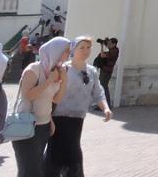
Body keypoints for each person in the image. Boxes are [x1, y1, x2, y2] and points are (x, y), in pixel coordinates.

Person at [45, 36, 111, 177]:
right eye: (82, 47)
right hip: (58, 118)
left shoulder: (91, 71)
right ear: (73, 49)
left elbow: (98, 92)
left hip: (77, 119)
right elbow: (50, 92)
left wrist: (105, 108)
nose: (86, 51)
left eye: (88, 47)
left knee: (73, 153)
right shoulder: (64, 68)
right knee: (56, 154)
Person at [13, 36, 71, 177]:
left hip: (43, 127)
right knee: (30, 170)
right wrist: (49, 80)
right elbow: (28, 95)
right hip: (26, 124)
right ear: (56, 51)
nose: (69, 54)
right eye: (66, 50)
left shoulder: (56, 71)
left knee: (35, 168)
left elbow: (56, 99)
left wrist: (64, 80)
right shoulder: (33, 69)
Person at [98, 37, 119, 107]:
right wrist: (104, 42)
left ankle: (107, 104)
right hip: (105, 70)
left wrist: (101, 46)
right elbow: (108, 47)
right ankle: (103, 104)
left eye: (110, 43)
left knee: (103, 87)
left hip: (106, 71)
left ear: (114, 44)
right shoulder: (113, 49)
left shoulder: (114, 51)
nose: (108, 45)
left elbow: (102, 55)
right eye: (108, 43)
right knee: (103, 87)